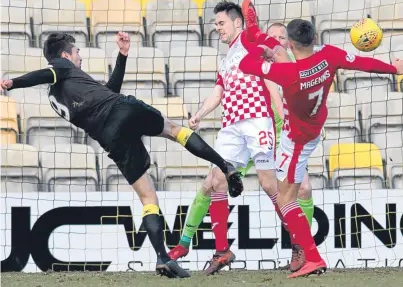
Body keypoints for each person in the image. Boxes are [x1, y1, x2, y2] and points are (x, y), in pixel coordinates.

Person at [0, 31, 245, 279]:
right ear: (64, 55)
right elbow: (47, 73)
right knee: (174, 130)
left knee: (148, 196)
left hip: (109, 138)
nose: (80, 56)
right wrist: (14, 83)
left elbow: (110, 89)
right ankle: (225, 166)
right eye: (76, 52)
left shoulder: (58, 94)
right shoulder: (60, 67)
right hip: (120, 110)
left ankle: (162, 258)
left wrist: (123, 56)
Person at [238, 15, 403, 278]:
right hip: (314, 129)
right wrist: (394, 68)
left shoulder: (287, 73)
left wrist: (260, 47)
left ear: (291, 45)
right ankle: (308, 256)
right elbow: (363, 63)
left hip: (296, 141)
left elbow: (247, 64)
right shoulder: (329, 56)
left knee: (285, 199)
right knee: (289, 193)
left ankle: (312, 257)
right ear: (314, 38)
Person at [168, 21, 315, 273]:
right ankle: (185, 243)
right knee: (211, 182)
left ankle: (299, 247)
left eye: (282, 37)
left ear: (288, 43)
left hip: (280, 137)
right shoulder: (259, 63)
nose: (277, 40)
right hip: (254, 132)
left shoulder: (293, 68)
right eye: (272, 37)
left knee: (302, 188)